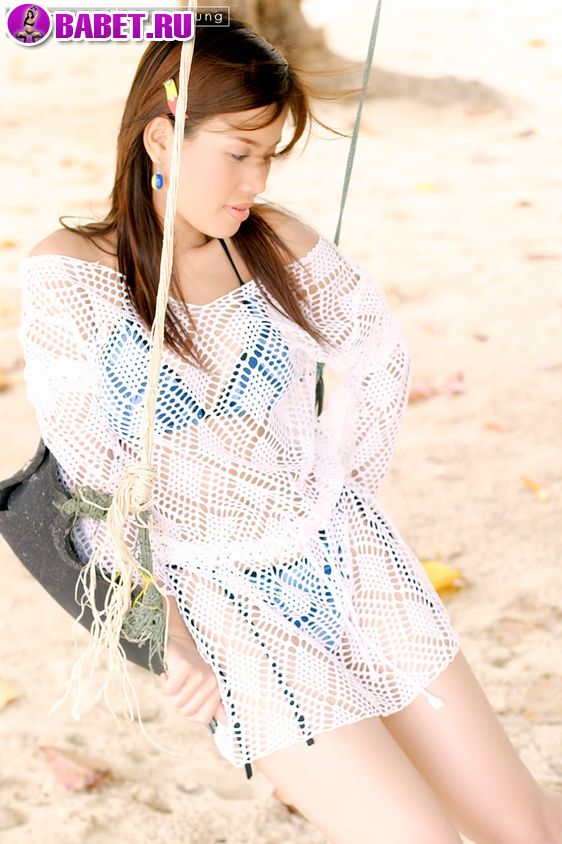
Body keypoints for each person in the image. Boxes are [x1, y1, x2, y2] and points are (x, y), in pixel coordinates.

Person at [18, 19, 562, 844]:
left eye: (269, 156)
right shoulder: (73, 274)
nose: (255, 180)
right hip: (225, 608)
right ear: (162, 137)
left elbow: (380, 359)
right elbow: (91, 485)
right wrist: (169, 637)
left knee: (525, 828)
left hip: (350, 565)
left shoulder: (273, 244)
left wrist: (336, 494)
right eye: (238, 153)